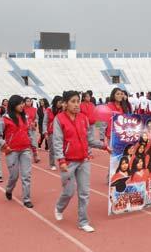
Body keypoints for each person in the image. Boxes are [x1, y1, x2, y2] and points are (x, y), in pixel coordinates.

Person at [52, 91, 110, 232]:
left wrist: (105, 146)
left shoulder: (83, 118)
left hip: (84, 160)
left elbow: (89, 140)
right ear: (65, 104)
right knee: (69, 192)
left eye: (78, 101)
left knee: (84, 192)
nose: (77, 104)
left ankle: (83, 221)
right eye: (73, 101)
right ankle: (59, 207)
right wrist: (61, 161)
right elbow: (58, 142)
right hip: (68, 162)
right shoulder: (59, 119)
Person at [0, 95, 35, 208]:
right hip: (11, 151)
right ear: (13, 105)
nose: (22, 105)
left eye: (23, 103)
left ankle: (26, 199)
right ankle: (9, 189)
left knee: (26, 175)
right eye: (20, 103)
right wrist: (4, 145)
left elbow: (28, 131)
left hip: (25, 149)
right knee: (14, 175)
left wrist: (31, 140)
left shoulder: (25, 117)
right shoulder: (5, 118)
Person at [43, 96, 63, 171]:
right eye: (59, 102)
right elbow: (45, 122)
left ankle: (62, 162)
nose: (60, 104)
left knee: (62, 148)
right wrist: (45, 132)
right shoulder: (48, 110)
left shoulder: (62, 110)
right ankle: (52, 164)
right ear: (55, 102)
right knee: (52, 149)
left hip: (61, 132)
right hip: (51, 132)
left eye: (62, 103)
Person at [24, 97, 40, 163]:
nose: (29, 102)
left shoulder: (34, 109)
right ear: (24, 102)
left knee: (33, 142)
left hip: (32, 128)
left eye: (30, 101)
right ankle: (25, 156)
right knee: (26, 143)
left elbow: (36, 118)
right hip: (24, 129)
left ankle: (35, 156)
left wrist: (35, 122)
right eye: (27, 101)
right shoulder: (22, 109)